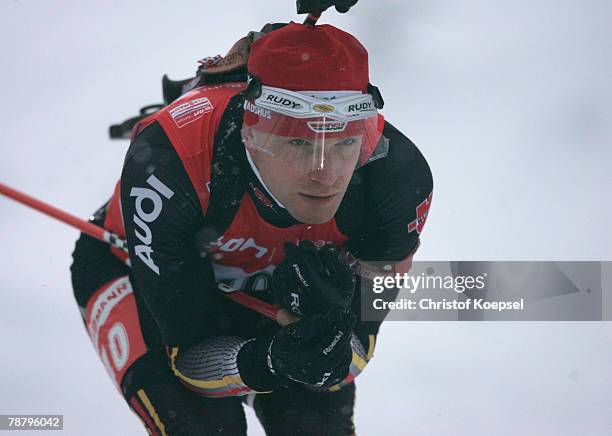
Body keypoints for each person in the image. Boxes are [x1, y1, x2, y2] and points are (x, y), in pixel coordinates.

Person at [71, 22, 433, 435]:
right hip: (136, 274)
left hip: (269, 298)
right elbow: (188, 359)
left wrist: (325, 338)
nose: (326, 175)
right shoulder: (171, 166)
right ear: (251, 130)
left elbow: (358, 348)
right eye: (298, 142)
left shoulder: (396, 182)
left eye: (345, 142)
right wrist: (270, 361)